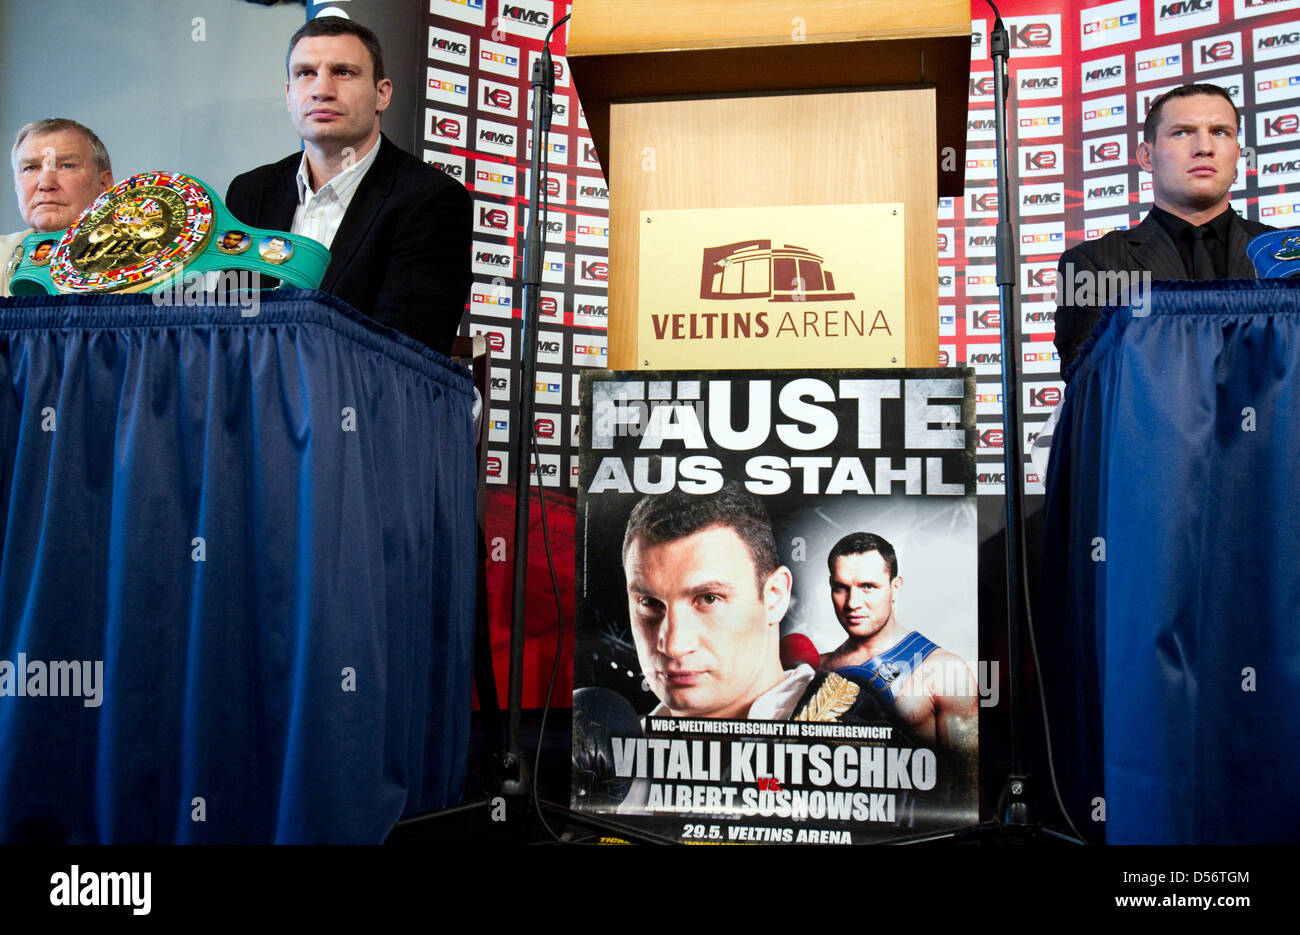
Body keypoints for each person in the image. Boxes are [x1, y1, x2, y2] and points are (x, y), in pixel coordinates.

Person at [226, 16, 471, 354]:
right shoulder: (250, 192)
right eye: (305, 73)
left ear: (381, 95)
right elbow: (226, 325)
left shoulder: (431, 200)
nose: (321, 90)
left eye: (343, 72)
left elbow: (403, 353)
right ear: (288, 95)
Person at [622, 484, 893, 724]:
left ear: (775, 596)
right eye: (649, 603)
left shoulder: (858, 736)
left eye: (709, 599)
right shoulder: (618, 751)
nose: (673, 645)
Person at [1054, 83, 1274, 373]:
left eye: (1220, 132)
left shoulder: (1282, 255)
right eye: (1182, 132)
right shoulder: (1088, 263)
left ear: (1237, 153)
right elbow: (1089, 380)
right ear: (1147, 156)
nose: (1204, 148)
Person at [819, 532, 977, 755]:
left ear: (895, 588)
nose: (852, 603)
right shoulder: (816, 668)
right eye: (841, 587)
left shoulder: (947, 671)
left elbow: (964, 781)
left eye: (868, 586)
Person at [3, 118, 113, 296]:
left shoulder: (150, 259)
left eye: (67, 166)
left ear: (104, 183)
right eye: (31, 168)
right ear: (16, 186)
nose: (46, 183)